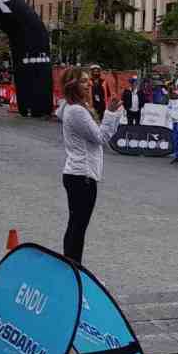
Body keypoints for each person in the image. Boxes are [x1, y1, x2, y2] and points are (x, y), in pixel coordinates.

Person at [59, 67, 123, 263]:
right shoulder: (77, 111)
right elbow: (100, 137)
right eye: (83, 81)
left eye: (88, 81)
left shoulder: (73, 108)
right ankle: (73, 267)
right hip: (82, 175)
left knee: (76, 225)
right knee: (78, 227)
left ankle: (71, 265)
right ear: (73, 85)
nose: (89, 84)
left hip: (77, 173)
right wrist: (111, 114)